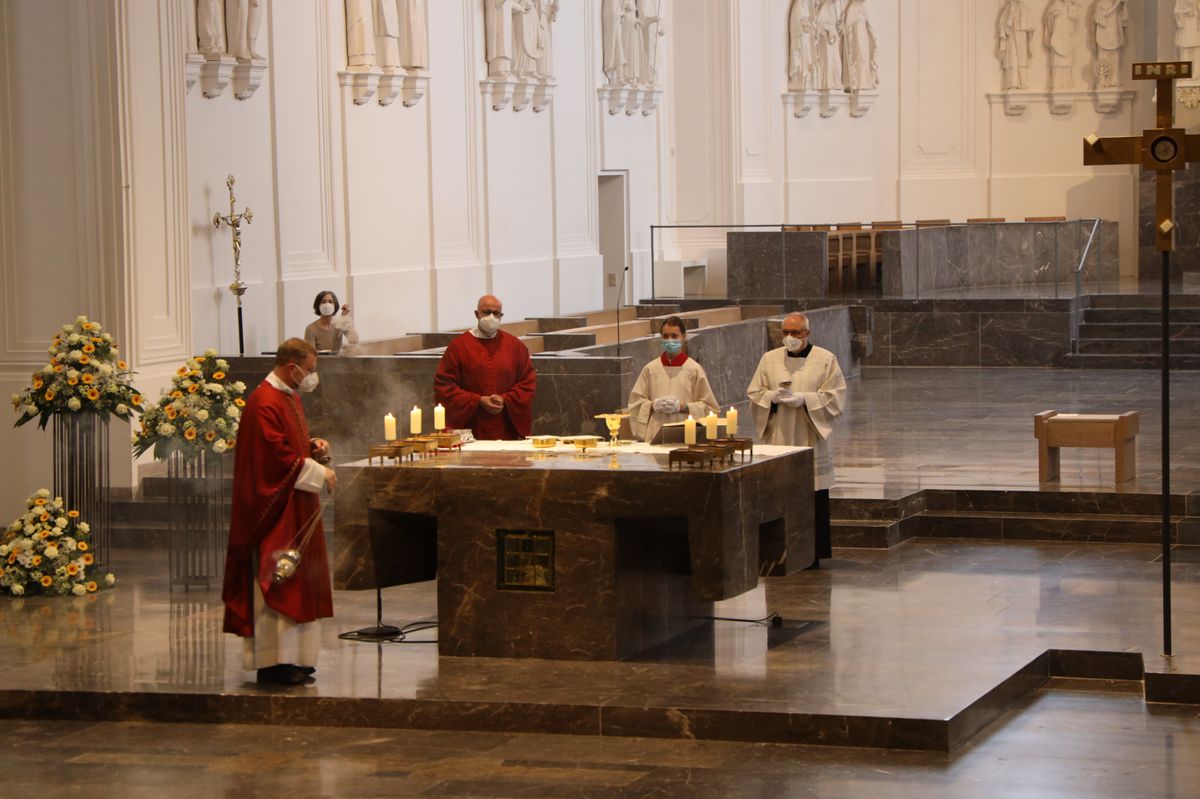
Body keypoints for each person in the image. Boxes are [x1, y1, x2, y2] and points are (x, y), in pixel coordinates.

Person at [222, 338, 337, 687]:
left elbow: (289, 446)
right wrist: (320, 473)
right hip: (274, 511)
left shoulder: (288, 396)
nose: (311, 377)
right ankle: (273, 663)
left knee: (298, 581)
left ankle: (297, 659)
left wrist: (312, 447)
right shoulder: (263, 402)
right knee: (279, 576)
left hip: (295, 504)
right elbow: (273, 460)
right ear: (293, 367)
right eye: (310, 371)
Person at [747, 313, 846, 567]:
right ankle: (778, 555)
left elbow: (835, 398)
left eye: (796, 332)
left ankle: (811, 554)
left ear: (807, 334)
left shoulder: (825, 360)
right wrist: (772, 397)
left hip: (808, 436)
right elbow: (755, 392)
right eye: (785, 333)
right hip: (780, 435)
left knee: (811, 495)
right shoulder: (769, 359)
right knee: (778, 494)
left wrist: (805, 400)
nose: (789, 338)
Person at [434, 295, 537, 440]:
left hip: (506, 428)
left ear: (501, 316)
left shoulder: (515, 346)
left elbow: (527, 383)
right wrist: (477, 400)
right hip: (472, 427)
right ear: (477, 314)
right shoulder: (459, 346)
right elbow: (444, 386)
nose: (491, 317)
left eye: (496, 313)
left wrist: (506, 399)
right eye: (486, 312)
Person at [627, 316, 719, 443]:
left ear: (683, 337)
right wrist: (653, 405)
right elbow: (635, 405)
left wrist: (684, 406)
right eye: (665, 336)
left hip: (686, 432)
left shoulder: (694, 370)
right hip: (656, 433)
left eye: (674, 336)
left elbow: (710, 408)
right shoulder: (650, 369)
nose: (670, 340)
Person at [304, 290, 358, 355]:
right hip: (321, 364)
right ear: (318, 305)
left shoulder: (340, 323)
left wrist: (344, 318)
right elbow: (310, 355)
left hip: (339, 363)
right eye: (323, 302)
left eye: (330, 302)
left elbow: (354, 341)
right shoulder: (311, 329)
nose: (327, 305)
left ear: (335, 305)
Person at [997, 0, 1035, 91]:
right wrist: (1010, 15)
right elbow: (1003, 26)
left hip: (1022, 37)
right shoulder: (1007, 9)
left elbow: (1030, 26)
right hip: (1011, 38)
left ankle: (1023, 83)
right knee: (1013, 59)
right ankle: (1012, 83)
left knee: (1022, 60)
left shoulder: (1025, 9)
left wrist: (1029, 30)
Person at [1044, 0, 1079, 90]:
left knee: (1067, 61)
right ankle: (1056, 83)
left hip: (1067, 36)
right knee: (1057, 61)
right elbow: (1048, 19)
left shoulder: (1071, 6)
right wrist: (1052, 16)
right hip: (1057, 36)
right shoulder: (1054, 5)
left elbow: (1076, 22)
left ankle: (1068, 83)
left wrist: (1073, 12)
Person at [1094, 0, 1128, 89]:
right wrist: (1116, 5)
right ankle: (1103, 80)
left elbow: (1124, 19)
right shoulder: (1100, 4)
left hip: (1115, 34)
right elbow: (1103, 15)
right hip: (1104, 34)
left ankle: (1114, 80)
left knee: (1115, 59)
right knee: (1103, 58)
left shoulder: (1118, 4)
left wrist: (1124, 5)